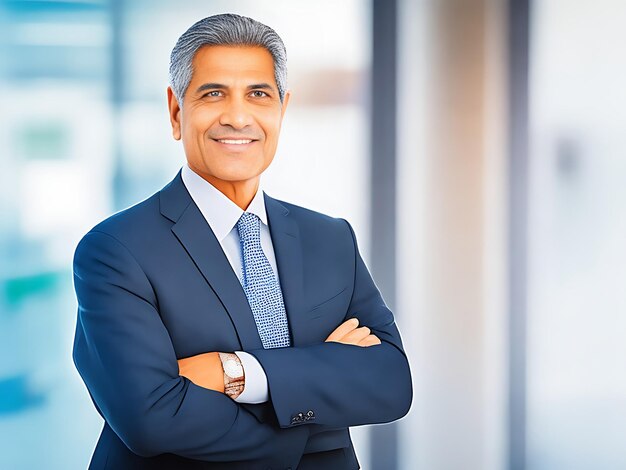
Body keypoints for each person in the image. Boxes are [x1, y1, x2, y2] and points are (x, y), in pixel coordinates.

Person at [72, 13, 412, 470]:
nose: (237, 116)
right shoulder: (116, 250)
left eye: (258, 94)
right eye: (213, 94)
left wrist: (234, 371)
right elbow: (149, 417)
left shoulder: (330, 238)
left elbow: (391, 383)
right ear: (176, 111)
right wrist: (318, 409)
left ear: (281, 110)